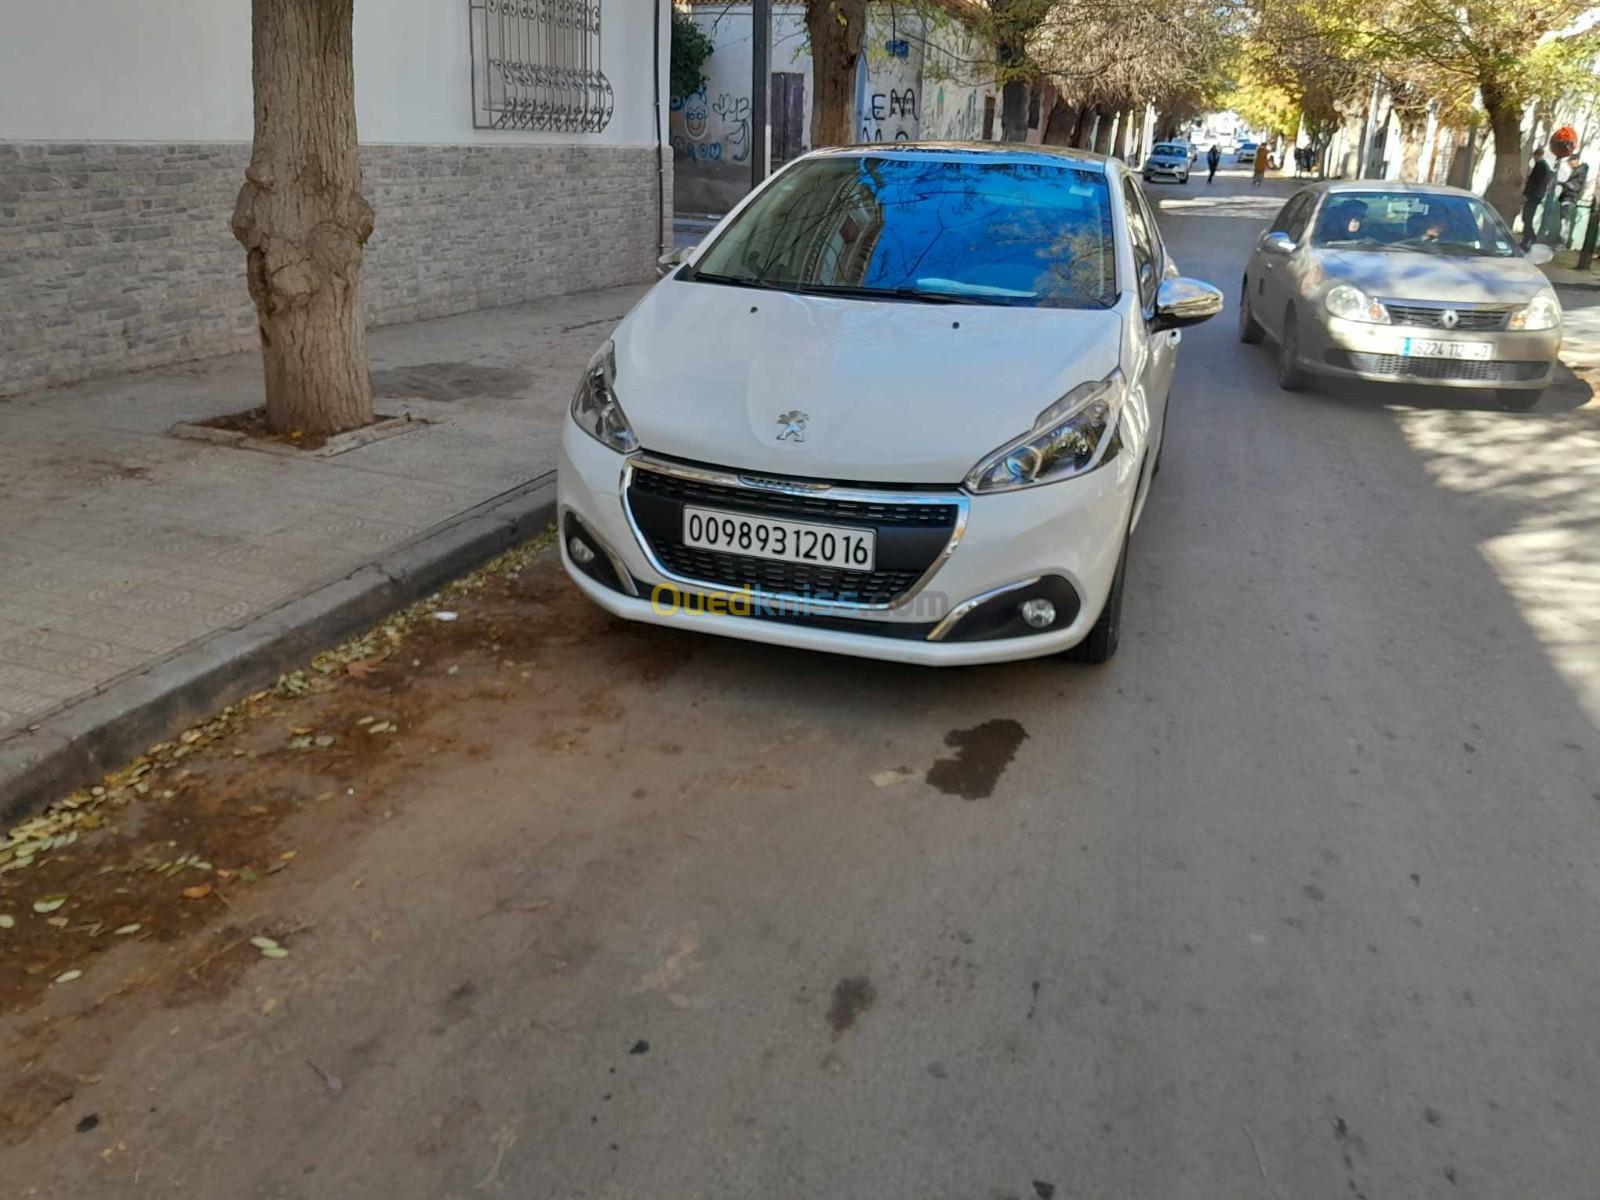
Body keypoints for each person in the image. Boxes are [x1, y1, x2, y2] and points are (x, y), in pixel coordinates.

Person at [1560, 150, 1589, 247]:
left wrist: (1564, 184)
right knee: (1564, 221)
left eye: (1570, 162)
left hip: (1570, 198)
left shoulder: (1580, 173)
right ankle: (1562, 242)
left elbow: (1576, 187)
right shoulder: (1578, 172)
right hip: (1568, 198)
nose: (1568, 164)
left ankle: (1563, 243)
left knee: (1565, 221)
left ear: (1575, 161)